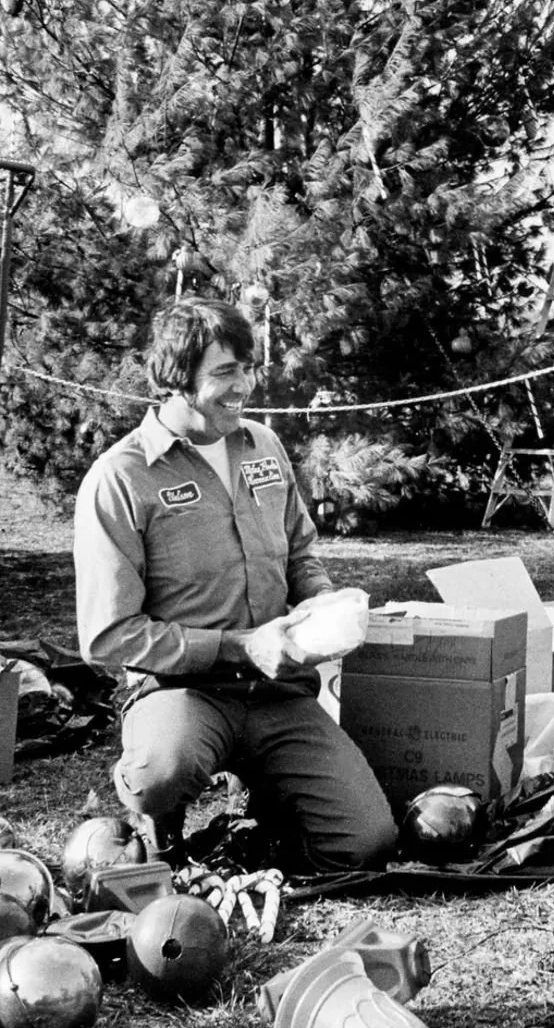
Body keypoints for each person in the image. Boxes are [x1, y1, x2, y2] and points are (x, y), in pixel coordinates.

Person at [74, 298, 397, 874]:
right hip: (183, 692)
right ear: (176, 378)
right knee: (159, 777)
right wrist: (239, 645)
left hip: (278, 691)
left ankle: (263, 814)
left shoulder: (263, 447)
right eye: (225, 372)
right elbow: (108, 636)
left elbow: (299, 552)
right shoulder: (120, 478)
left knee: (364, 843)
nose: (243, 385)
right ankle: (158, 826)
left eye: (247, 368)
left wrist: (323, 601)